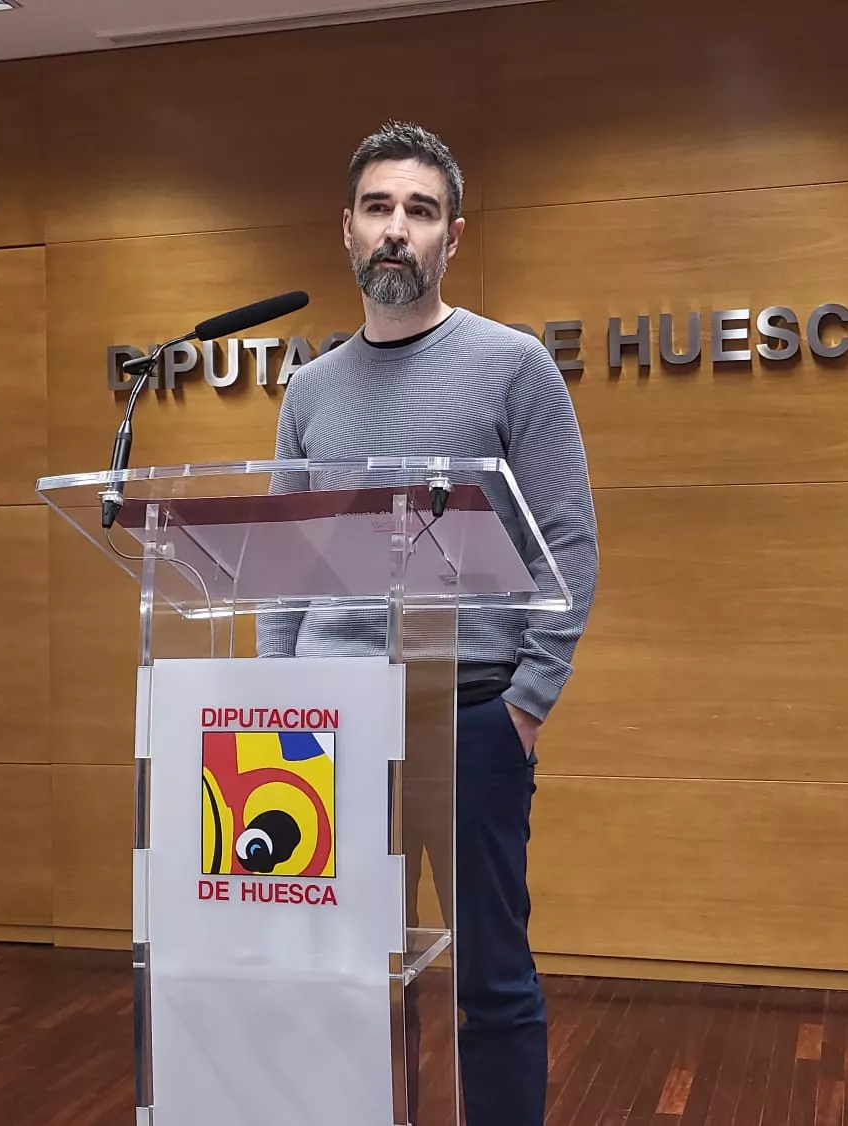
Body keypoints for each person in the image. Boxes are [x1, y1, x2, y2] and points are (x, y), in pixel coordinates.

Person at [255, 121, 598, 1126]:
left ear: (454, 234)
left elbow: (567, 547)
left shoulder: (510, 365)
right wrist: (284, 713)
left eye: (419, 209)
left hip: (472, 718)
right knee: (343, 976)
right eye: (377, 207)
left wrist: (526, 707)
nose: (396, 229)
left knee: (489, 980)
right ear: (346, 233)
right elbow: (282, 573)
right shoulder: (309, 391)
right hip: (328, 730)